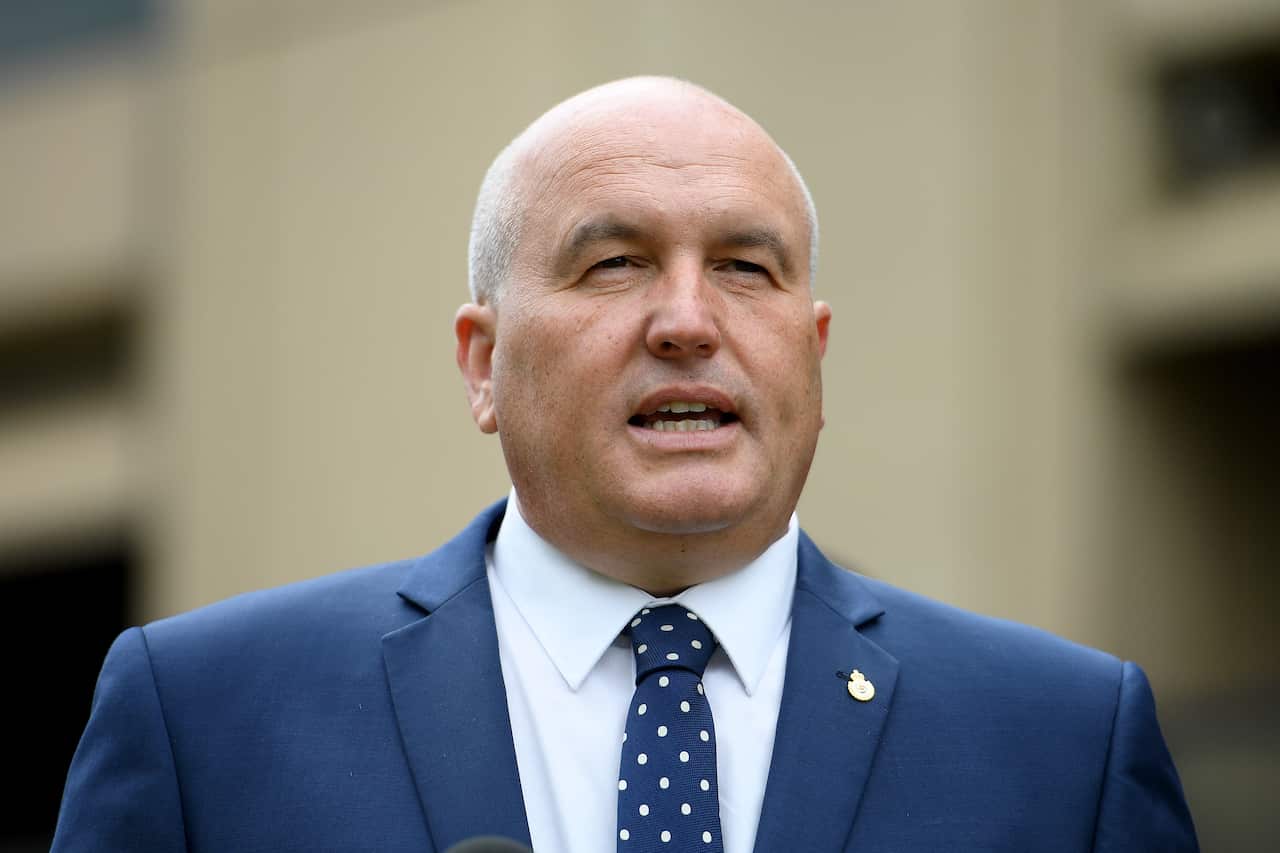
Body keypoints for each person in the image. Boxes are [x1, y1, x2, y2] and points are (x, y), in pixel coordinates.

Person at [53, 77, 1197, 852]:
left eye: (746, 267)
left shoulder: (1062, 743)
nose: (687, 321)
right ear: (483, 363)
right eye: (613, 264)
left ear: (814, 349)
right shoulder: (203, 722)